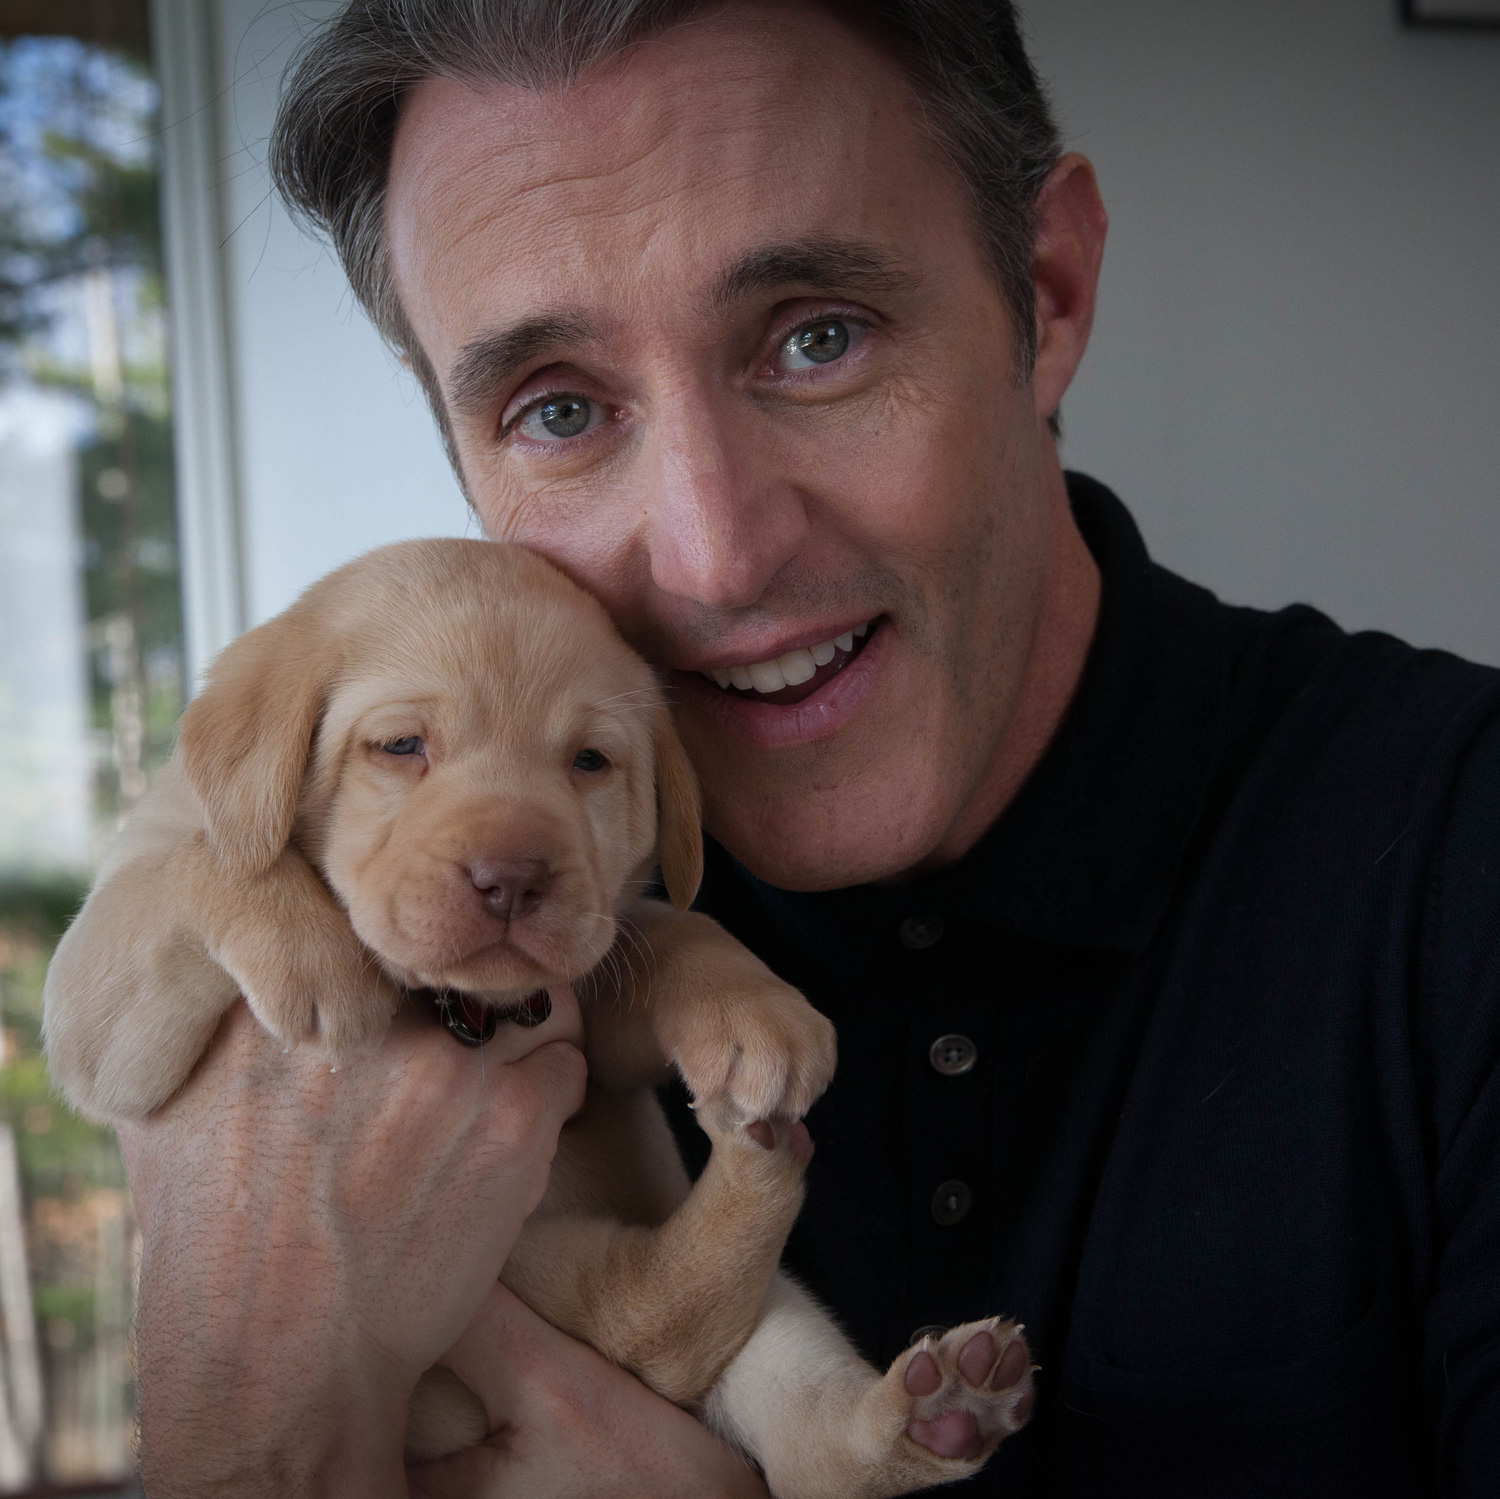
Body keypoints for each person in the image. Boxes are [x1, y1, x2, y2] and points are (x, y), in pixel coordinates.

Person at [120, 1, 1500, 1495]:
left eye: (816, 337)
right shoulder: (426, 906)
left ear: (1046, 294)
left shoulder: (1461, 857)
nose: (716, 554)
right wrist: (243, 1409)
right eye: (560, 409)